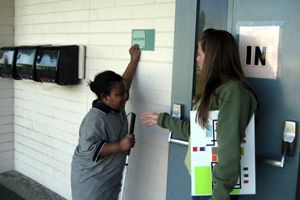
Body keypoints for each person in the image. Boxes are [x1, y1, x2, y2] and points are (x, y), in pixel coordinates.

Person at [141, 29, 258, 200]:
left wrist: (219, 195)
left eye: (200, 53)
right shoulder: (215, 89)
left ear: (212, 58)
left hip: (217, 189)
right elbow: (199, 133)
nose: (197, 58)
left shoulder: (233, 92)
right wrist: (163, 120)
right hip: (203, 180)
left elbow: (229, 147)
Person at [71, 45, 141, 200]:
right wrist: (120, 146)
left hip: (109, 180)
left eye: (125, 93)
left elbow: (125, 83)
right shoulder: (95, 119)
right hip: (91, 184)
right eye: (120, 94)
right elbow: (90, 149)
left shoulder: (116, 105)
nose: (125, 97)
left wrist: (133, 62)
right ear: (105, 96)